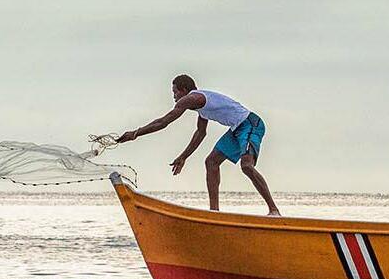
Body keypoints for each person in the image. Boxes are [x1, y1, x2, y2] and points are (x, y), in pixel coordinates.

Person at [115, 74, 280, 215]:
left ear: (184, 91)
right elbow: (201, 133)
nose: (174, 97)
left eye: (175, 92)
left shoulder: (194, 98)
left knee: (246, 166)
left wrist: (135, 133)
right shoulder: (201, 107)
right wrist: (183, 157)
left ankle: (274, 210)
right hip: (236, 129)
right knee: (211, 162)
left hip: (250, 124)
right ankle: (214, 212)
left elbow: (164, 122)